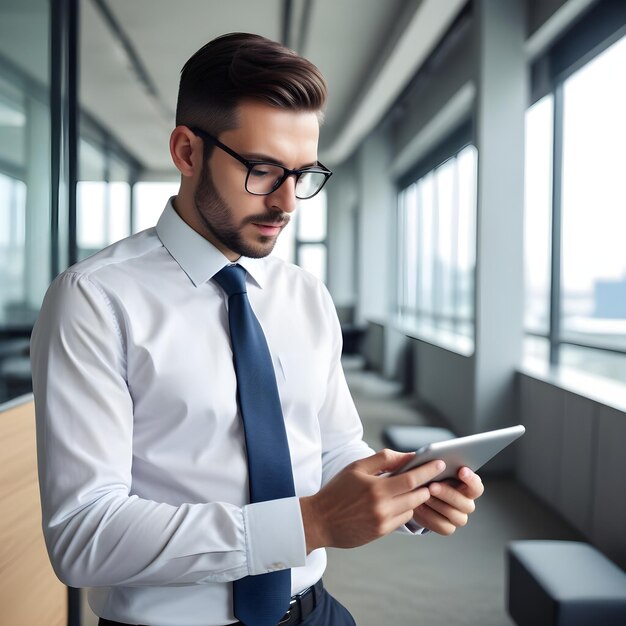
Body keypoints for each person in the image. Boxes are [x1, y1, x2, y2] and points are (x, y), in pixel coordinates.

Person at [31, 32, 484, 626]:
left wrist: (403, 494)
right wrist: (310, 523)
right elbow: (84, 535)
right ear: (187, 152)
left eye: (303, 174)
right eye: (265, 170)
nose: (289, 202)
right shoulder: (94, 300)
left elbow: (331, 447)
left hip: (316, 611)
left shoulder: (304, 295)